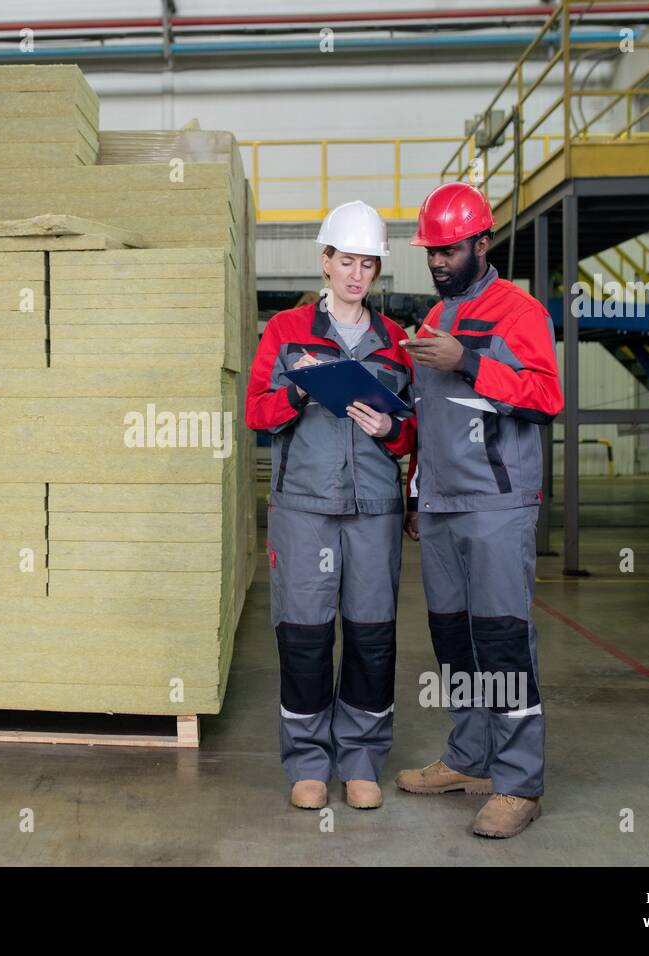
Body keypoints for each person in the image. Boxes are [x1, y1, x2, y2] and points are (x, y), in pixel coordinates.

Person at [394, 181, 563, 838]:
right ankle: (471, 757)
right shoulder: (435, 320)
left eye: (449, 249)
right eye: (431, 250)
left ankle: (519, 782)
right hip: (438, 505)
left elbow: (544, 396)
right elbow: (428, 415)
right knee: (454, 643)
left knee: (501, 642)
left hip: (497, 504)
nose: (438, 261)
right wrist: (415, 491)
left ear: (481, 242)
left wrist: (468, 360)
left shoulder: (518, 311)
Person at [245, 200, 417, 811]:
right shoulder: (286, 334)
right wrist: (297, 389)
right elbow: (255, 413)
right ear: (324, 261)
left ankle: (363, 759)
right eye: (346, 261)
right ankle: (309, 761)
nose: (356, 275)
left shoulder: (394, 342)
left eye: (368, 265)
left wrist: (386, 432)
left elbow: (410, 436)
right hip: (304, 510)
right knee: (305, 637)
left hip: (374, 509)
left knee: (372, 637)